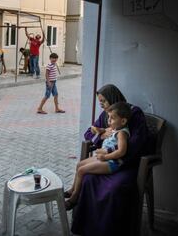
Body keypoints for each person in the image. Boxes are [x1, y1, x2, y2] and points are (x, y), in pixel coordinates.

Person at [71, 84, 150, 236]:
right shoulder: (107, 114)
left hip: (127, 164)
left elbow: (136, 143)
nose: (102, 106)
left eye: (104, 101)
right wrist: (100, 136)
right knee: (88, 179)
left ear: (113, 98)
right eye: (100, 102)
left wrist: (108, 152)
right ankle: (87, 228)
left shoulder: (134, 113)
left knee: (114, 189)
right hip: (107, 160)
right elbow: (89, 133)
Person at [64, 102, 132, 210]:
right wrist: (100, 130)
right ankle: (72, 189)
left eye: (112, 118)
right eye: (108, 117)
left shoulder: (122, 133)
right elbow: (102, 131)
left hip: (111, 162)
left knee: (82, 170)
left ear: (123, 121)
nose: (109, 120)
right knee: (79, 165)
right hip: (102, 158)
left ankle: (74, 198)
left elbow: (121, 151)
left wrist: (105, 157)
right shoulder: (115, 129)